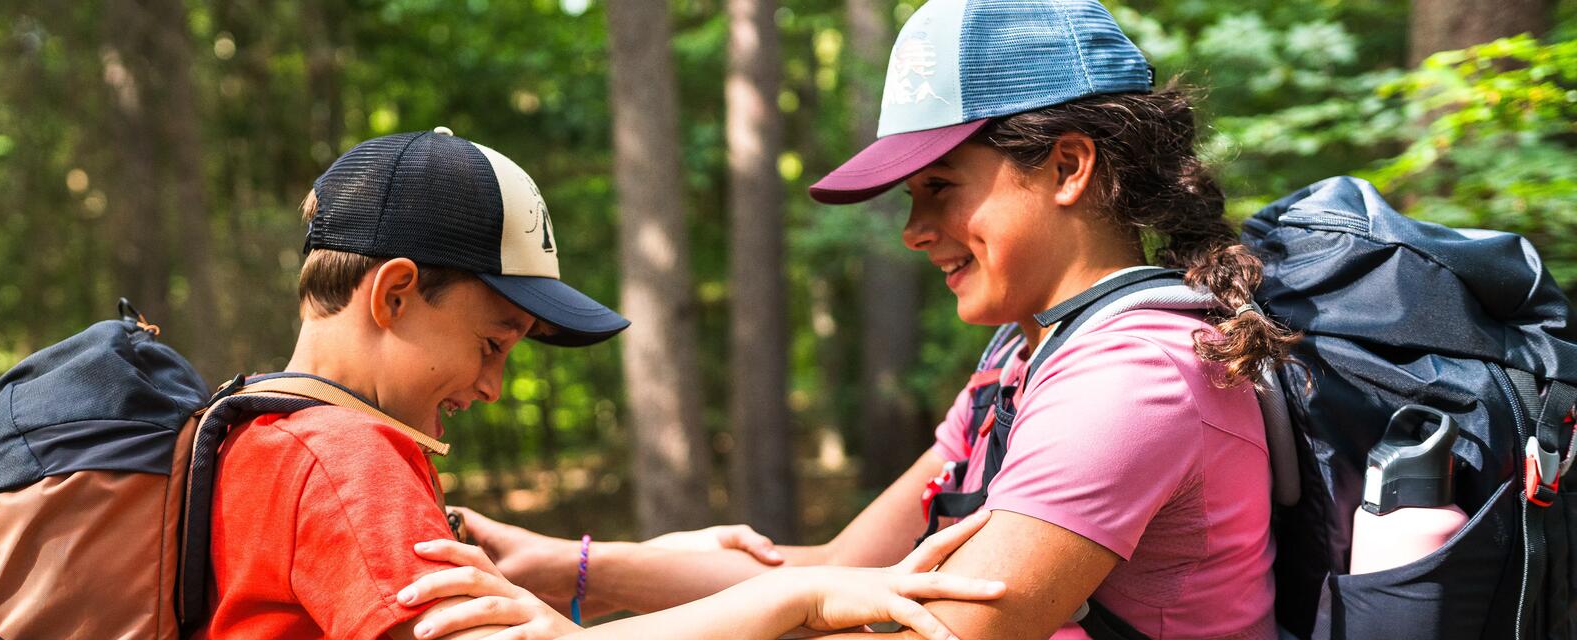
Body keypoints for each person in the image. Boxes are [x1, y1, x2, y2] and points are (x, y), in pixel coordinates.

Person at [421, 1, 1300, 638]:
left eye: (940, 187)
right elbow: (840, 570)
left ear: (1068, 165)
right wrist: (571, 569)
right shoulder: (1025, 354)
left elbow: (946, 629)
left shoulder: (1135, 376)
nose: (916, 231)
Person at [204, 128, 1004, 640]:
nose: (492, 386)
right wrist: (796, 600)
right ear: (395, 293)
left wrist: (644, 562)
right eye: (492, 343)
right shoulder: (345, 459)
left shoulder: (267, 431)